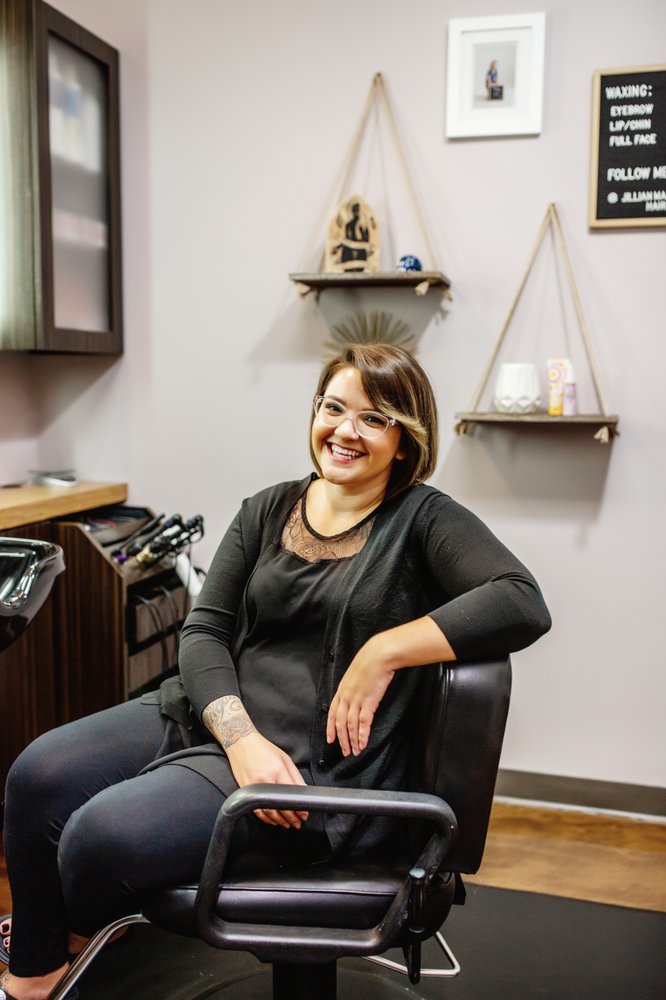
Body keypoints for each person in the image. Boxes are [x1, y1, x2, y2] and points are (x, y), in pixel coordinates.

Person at [0, 343, 551, 1000]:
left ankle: (76, 931)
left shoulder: (422, 520)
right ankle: (36, 972)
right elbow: (204, 632)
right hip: (219, 718)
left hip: (305, 762)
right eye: (333, 408)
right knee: (35, 776)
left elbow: (521, 600)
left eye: (373, 418)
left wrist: (385, 649)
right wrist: (239, 738)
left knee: (99, 840)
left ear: (405, 440)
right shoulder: (267, 508)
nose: (345, 430)